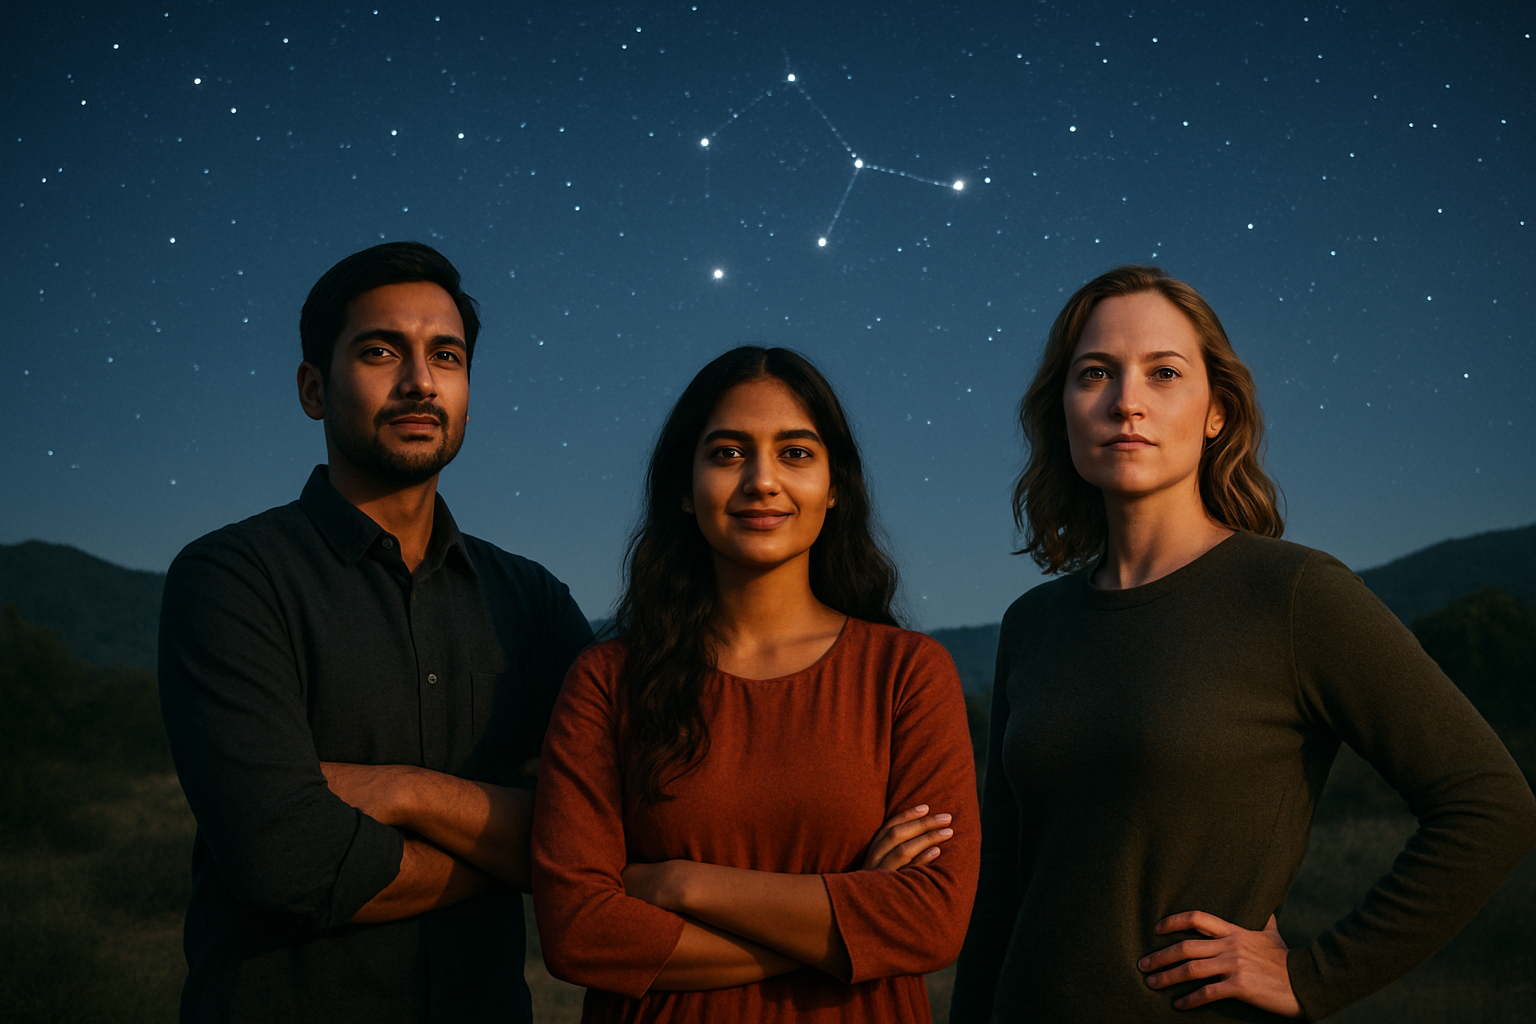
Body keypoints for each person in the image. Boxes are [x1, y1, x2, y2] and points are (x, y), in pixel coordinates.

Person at [948, 264, 1536, 1022]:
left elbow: (1491, 804)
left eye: (1163, 373)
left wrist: (1316, 975)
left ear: (1216, 412)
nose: (1126, 402)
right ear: (1063, 409)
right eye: (1095, 373)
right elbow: (1003, 878)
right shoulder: (1033, 623)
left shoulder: (1294, 596)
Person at [158, 241, 593, 1023]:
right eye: (381, 351)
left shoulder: (531, 600)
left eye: (447, 356)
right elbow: (288, 864)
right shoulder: (231, 578)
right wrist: (526, 856)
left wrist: (405, 791)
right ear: (314, 389)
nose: (420, 382)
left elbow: (607, 826)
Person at [531, 346, 980, 1022]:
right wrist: (848, 919)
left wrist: (682, 883)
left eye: (795, 453)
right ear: (684, 488)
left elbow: (931, 922)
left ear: (835, 486)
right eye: (728, 453)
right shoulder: (607, 680)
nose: (762, 481)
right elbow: (580, 935)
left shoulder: (907, 674)